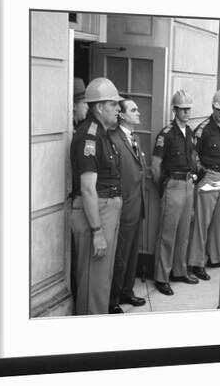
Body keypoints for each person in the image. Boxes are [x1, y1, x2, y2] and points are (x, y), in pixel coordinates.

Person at [70, 77, 124, 315]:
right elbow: (88, 188)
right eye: (114, 104)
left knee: (102, 279)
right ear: (100, 107)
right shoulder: (90, 135)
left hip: (106, 207)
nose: (118, 109)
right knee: (94, 280)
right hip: (97, 211)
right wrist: (97, 231)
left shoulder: (102, 133)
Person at [152, 90, 199, 296]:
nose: (187, 112)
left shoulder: (189, 132)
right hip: (173, 185)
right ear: (175, 110)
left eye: (188, 108)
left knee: (184, 233)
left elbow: (193, 159)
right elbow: (155, 166)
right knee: (167, 234)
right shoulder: (166, 134)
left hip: (188, 184)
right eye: (183, 109)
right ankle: (162, 277)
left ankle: (179, 271)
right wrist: (164, 188)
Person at [188, 89, 220, 279]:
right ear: (213, 107)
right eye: (219, 109)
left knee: (218, 222)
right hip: (209, 177)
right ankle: (197, 262)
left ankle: (215, 256)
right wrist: (202, 173)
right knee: (202, 223)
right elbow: (192, 154)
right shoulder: (204, 128)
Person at [108, 99, 147, 313]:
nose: (138, 112)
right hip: (123, 207)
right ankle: (113, 298)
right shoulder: (113, 139)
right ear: (121, 115)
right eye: (133, 110)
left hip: (137, 204)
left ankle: (126, 291)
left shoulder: (134, 138)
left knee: (132, 254)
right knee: (120, 255)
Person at [69, 78, 88, 302]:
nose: (86, 107)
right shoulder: (74, 132)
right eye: (83, 103)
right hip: (75, 200)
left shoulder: (78, 129)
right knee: (77, 259)